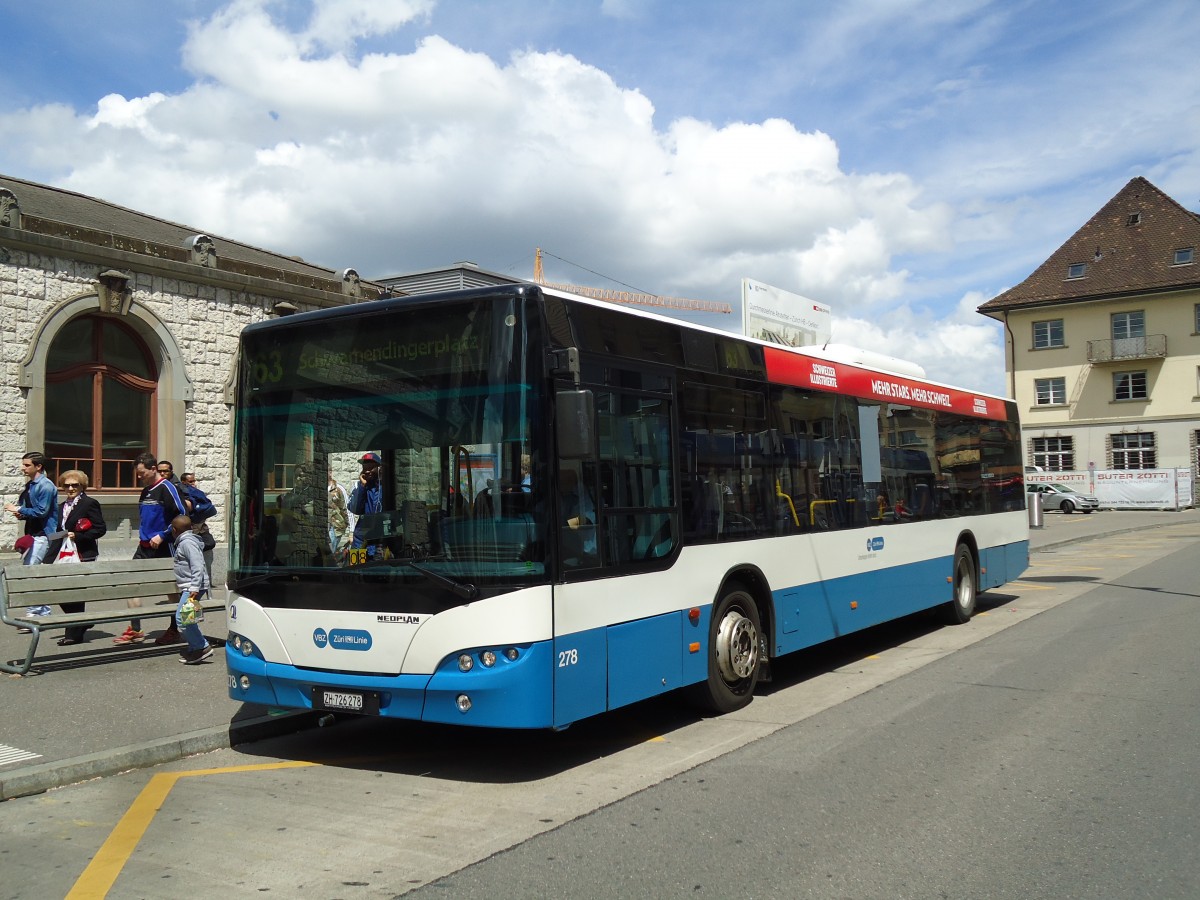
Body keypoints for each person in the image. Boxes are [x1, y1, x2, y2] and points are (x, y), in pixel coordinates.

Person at [113, 453, 187, 646]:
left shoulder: (167, 488)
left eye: (142, 473)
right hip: (143, 547)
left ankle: (175, 629)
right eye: (137, 474)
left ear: (153, 468)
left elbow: (183, 515)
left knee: (171, 590)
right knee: (132, 584)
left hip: (164, 547)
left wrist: (163, 534)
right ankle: (135, 630)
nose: (139, 477)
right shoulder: (146, 490)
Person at [50, 469, 107, 645]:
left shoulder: (89, 503)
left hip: (83, 552)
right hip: (63, 553)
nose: (70, 488)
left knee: (75, 591)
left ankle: (73, 633)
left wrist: (79, 536)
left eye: (75, 485)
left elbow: (100, 528)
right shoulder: (60, 507)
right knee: (57, 590)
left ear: (82, 486)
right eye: (67, 485)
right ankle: (82, 620)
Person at [5, 451, 59, 626]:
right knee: (32, 573)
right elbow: (34, 511)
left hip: (43, 536)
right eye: (23, 464)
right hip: (34, 534)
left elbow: (42, 511)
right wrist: (22, 514)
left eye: (27, 465)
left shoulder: (45, 486)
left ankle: (35, 614)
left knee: (31, 573)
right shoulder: (32, 485)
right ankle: (42, 612)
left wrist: (19, 510)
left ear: (38, 466)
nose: (23, 468)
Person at [169, 514, 213, 664]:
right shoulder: (186, 542)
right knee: (187, 618)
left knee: (182, 619)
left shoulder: (187, 543)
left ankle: (201, 646)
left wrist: (194, 587)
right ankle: (197, 647)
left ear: (174, 530)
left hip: (193, 587)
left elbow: (197, 565)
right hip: (191, 586)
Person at [348, 452, 383, 550]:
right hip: (360, 541)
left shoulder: (385, 487)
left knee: (375, 565)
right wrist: (362, 486)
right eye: (365, 468)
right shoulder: (360, 486)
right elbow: (355, 509)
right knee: (355, 564)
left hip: (378, 543)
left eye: (371, 468)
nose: (367, 471)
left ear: (379, 468)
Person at [328, 469, 351, 558]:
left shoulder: (338, 489)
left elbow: (347, 509)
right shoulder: (316, 488)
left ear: (330, 472)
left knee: (329, 554)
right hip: (321, 527)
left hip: (335, 527)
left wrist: (351, 532)